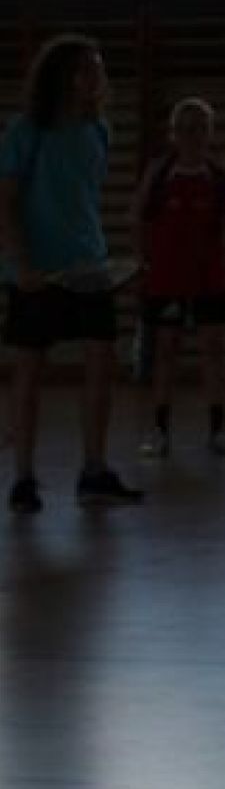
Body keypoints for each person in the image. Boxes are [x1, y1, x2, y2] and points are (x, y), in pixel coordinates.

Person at [1, 35, 146, 514]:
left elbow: (81, 201)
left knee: (102, 360)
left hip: (89, 267)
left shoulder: (99, 130)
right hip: (39, 271)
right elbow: (7, 203)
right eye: (86, 70)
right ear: (62, 77)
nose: (96, 78)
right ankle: (24, 477)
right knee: (29, 368)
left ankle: (94, 470)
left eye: (99, 69)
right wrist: (22, 264)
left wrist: (111, 262)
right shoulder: (26, 131)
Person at [134, 97, 225, 461]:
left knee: (215, 350)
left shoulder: (219, 174)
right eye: (184, 129)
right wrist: (142, 263)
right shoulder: (160, 173)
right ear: (173, 134)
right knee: (166, 352)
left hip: (209, 277)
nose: (192, 136)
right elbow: (138, 215)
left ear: (209, 133)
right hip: (167, 277)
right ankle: (159, 431)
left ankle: (219, 429)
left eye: (199, 129)